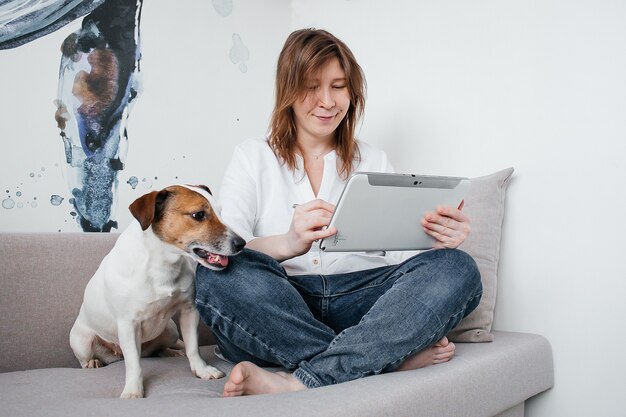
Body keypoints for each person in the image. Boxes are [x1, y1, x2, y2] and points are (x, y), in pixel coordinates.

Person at [195, 28, 482, 397]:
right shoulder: (252, 157)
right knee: (217, 276)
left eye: (339, 86)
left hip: (360, 304)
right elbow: (222, 249)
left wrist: (440, 242)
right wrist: (288, 242)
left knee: (457, 268)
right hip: (278, 307)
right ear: (288, 89)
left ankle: (303, 378)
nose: (327, 101)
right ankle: (382, 359)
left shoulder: (373, 160)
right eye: (312, 86)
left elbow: (402, 263)